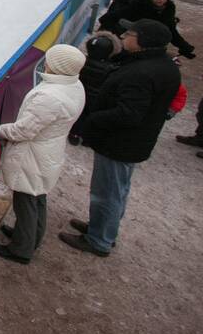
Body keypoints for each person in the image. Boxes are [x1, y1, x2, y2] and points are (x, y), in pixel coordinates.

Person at [64, 19, 180, 256]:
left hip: (119, 143)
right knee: (117, 189)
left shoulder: (143, 72)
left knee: (107, 192)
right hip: (132, 141)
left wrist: (94, 118)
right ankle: (103, 228)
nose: (124, 36)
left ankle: (99, 240)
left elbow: (129, 113)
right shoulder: (160, 65)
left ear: (142, 41)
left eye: (130, 33)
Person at [0, 45, 86, 264]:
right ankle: (31, 236)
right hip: (48, 150)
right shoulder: (74, 85)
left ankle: (21, 249)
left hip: (32, 154)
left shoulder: (50, 96)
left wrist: (0, 129)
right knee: (37, 196)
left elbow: (24, 130)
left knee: (25, 200)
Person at [69, 32, 121, 145]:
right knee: (91, 117)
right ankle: (87, 138)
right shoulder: (111, 68)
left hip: (80, 94)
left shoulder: (81, 61)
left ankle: (74, 134)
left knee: (79, 115)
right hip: (97, 98)